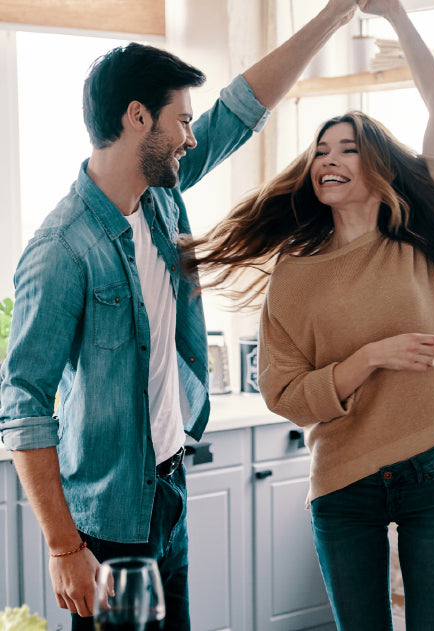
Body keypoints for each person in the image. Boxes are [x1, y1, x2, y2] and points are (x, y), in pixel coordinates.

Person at [0, 2, 359, 630]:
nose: (192, 137)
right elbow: (23, 404)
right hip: (108, 520)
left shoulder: (158, 195)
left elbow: (243, 109)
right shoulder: (61, 248)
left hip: (168, 490)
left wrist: (337, 11)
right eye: (181, 121)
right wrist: (64, 549)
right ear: (138, 118)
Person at [180, 0, 434, 629]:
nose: (327, 160)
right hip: (344, 482)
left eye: (346, 150)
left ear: (377, 168)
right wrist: (370, 358)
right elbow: (285, 393)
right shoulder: (295, 274)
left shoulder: (421, 232)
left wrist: (398, 15)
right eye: (321, 150)